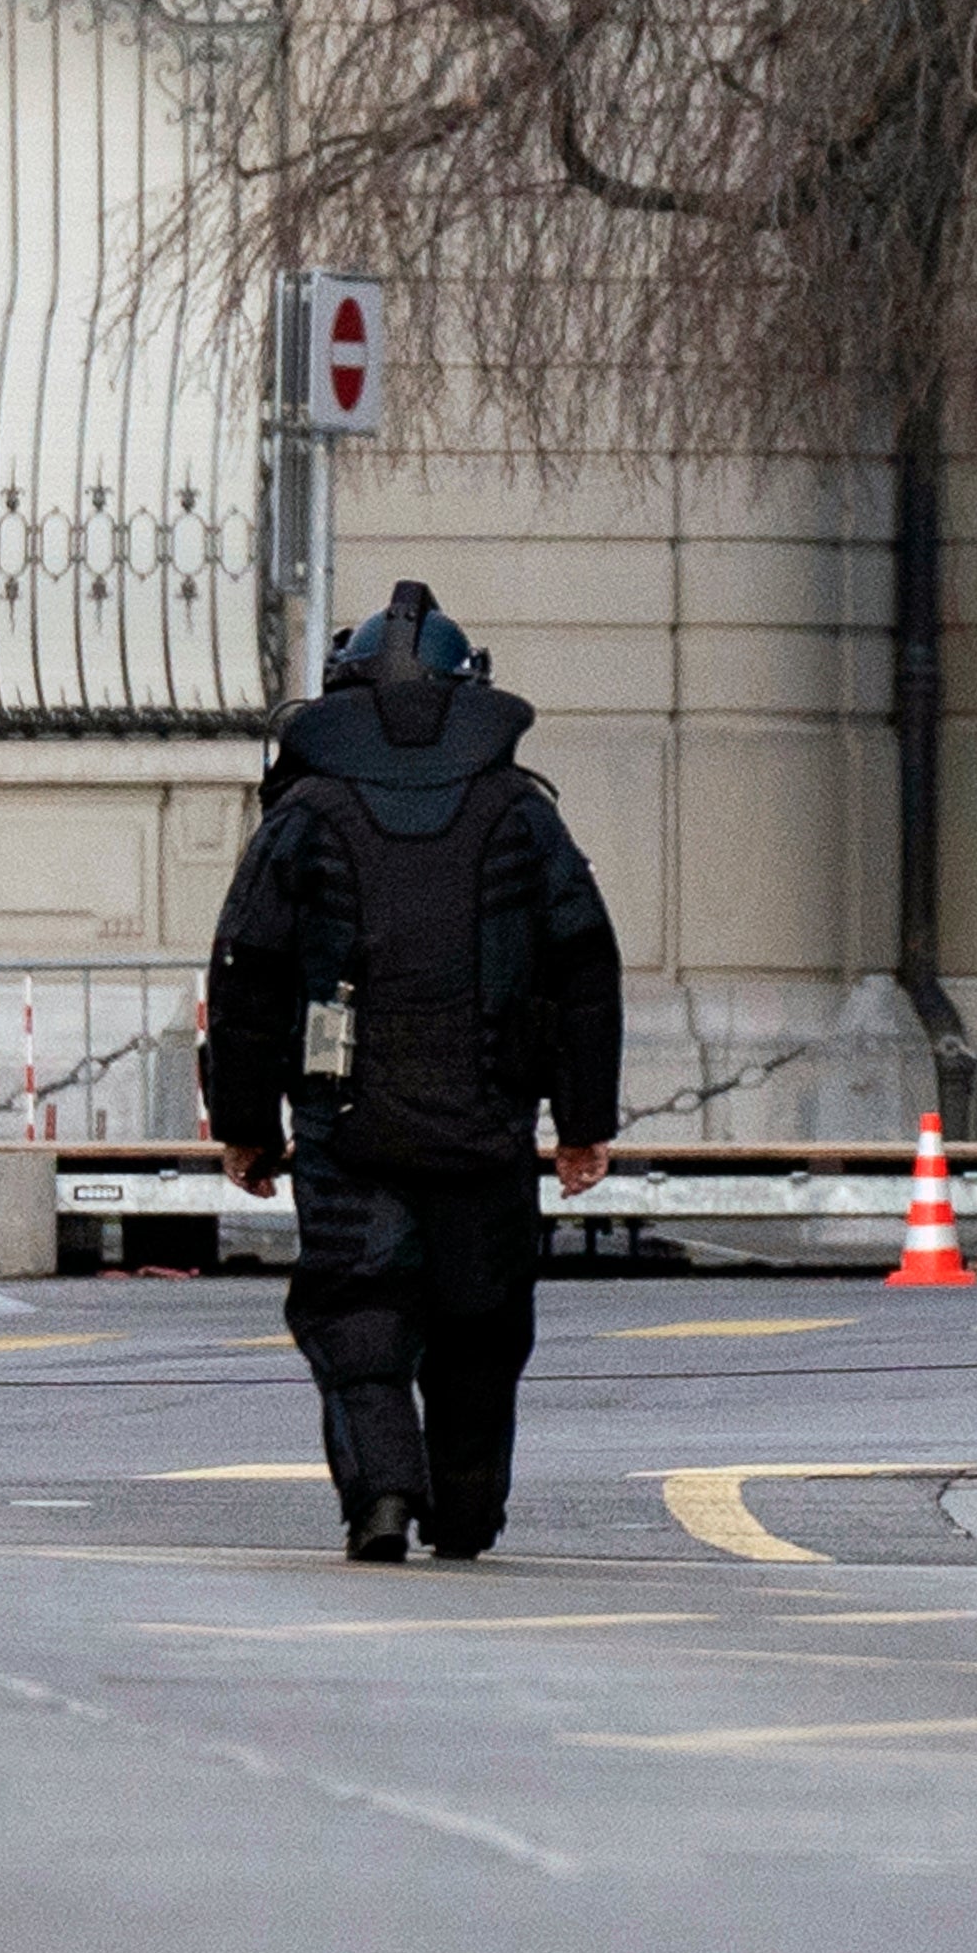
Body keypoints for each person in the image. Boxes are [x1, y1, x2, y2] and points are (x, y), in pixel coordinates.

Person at [201, 582, 624, 1563]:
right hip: (488, 1121)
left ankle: (382, 1496)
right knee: (481, 1322)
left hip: (346, 1122)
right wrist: (583, 1123)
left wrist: (245, 1124)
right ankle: (466, 1514)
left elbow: (246, 969)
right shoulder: (519, 810)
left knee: (358, 1311)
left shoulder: (305, 811)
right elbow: (582, 962)